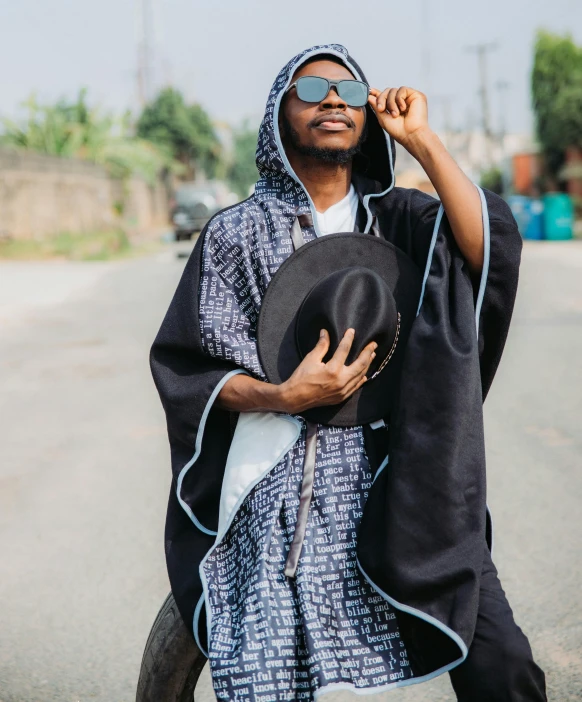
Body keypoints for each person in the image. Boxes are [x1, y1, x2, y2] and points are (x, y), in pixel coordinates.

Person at [150, 44, 547, 701]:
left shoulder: (404, 221)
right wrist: (284, 394)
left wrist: (420, 139)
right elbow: (191, 366)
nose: (335, 100)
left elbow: (490, 247)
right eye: (313, 88)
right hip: (272, 490)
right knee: (265, 669)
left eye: (352, 92)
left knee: (500, 662)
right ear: (279, 116)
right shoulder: (232, 235)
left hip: (403, 480)